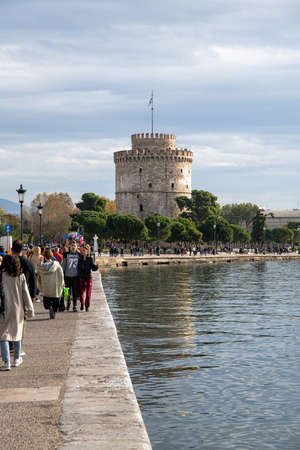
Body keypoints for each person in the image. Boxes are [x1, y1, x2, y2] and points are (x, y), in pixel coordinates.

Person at [0, 255, 34, 371]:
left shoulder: (1, 276)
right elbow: (26, 294)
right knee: (17, 333)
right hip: (18, 309)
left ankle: (6, 361)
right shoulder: (21, 276)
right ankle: (17, 358)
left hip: (4, 309)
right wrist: (30, 309)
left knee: (4, 335)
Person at [37, 248, 64, 319]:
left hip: (46, 288)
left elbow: (38, 277)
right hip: (55, 287)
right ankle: (53, 310)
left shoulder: (41, 267)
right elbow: (61, 275)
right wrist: (62, 285)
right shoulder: (57, 265)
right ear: (51, 255)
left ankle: (50, 307)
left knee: (47, 302)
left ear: (44, 256)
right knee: (55, 302)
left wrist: (40, 287)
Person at [78, 246, 98, 312]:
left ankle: (87, 306)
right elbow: (78, 268)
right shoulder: (79, 259)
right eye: (82, 250)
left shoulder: (90, 259)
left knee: (88, 293)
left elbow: (93, 267)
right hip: (81, 278)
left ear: (87, 252)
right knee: (81, 293)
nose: (83, 252)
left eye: (84, 250)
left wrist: (96, 267)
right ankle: (82, 303)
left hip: (88, 277)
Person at [61, 241, 80, 312]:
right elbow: (63, 265)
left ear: (76, 247)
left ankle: (74, 305)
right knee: (66, 291)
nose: (73, 247)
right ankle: (68, 302)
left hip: (75, 276)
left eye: (74, 246)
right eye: (72, 246)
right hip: (67, 276)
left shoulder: (79, 255)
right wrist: (62, 273)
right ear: (70, 247)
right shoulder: (66, 254)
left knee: (75, 292)